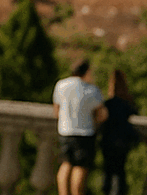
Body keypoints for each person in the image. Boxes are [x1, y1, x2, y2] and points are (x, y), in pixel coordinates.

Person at [53, 59, 108, 195]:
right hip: (84, 132)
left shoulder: (61, 85)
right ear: (86, 71)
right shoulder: (91, 90)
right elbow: (102, 114)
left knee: (65, 165)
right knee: (79, 168)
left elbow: (56, 110)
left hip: (65, 130)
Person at [99, 69, 138, 195]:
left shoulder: (108, 104)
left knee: (108, 171)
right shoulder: (127, 104)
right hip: (122, 142)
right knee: (119, 172)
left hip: (108, 141)